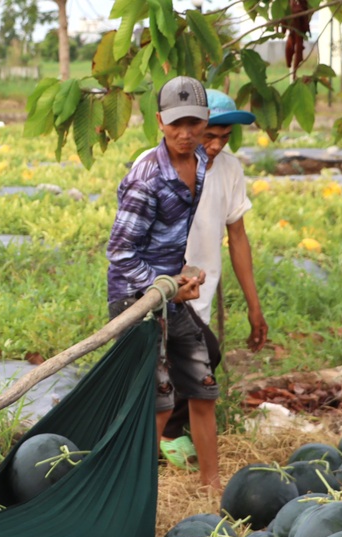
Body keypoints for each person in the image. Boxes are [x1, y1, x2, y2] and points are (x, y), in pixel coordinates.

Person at [106, 75, 222, 490]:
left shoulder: (203, 162)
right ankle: (136, 494)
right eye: (176, 124)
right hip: (135, 300)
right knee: (158, 402)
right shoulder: (147, 178)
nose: (185, 133)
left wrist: (181, 278)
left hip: (171, 294)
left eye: (194, 122)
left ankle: (212, 488)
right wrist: (165, 285)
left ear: (205, 120)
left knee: (203, 386)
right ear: (159, 121)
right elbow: (119, 251)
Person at [160, 89, 269, 462]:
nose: (217, 145)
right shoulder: (156, 166)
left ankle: (162, 439)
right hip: (166, 289)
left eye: (225, 137)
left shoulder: (229, 169)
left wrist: (254, 307)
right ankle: (166, 436)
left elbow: (237, 237)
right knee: (204, 354)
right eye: (211, 135)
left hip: (200, 292)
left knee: (189, 364)